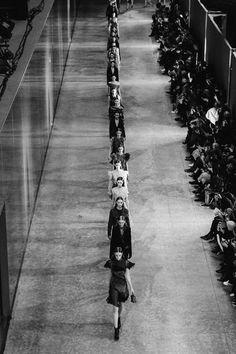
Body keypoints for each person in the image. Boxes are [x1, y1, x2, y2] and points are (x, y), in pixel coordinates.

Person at [104, 247, 136, 340]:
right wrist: (108, 287)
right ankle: (116, 330)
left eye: (119, 255)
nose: (118, 257)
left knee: (120, 305)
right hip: (114, 287)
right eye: (116, 255)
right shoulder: (110, 263)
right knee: (115, 308)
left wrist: (132, 289)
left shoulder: (126, 263)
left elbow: (128, 277)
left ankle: (118, 318)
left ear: (122, 254)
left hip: (122, 288)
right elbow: (109, 275)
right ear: (114, 254)